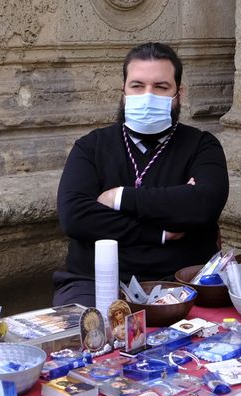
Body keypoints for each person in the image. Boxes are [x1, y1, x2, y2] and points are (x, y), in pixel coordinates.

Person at [53, 42, 229, 307]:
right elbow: (75, 216)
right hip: (93, 282)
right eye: (137, 86)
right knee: (89, 336)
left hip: (182, 280)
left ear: (178, 93)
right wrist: (158, 231)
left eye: (160, 87)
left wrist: (120, 198)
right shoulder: (91, 147)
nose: (148, 95)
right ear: (123, 92)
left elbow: (203, 205)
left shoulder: (202, 145)